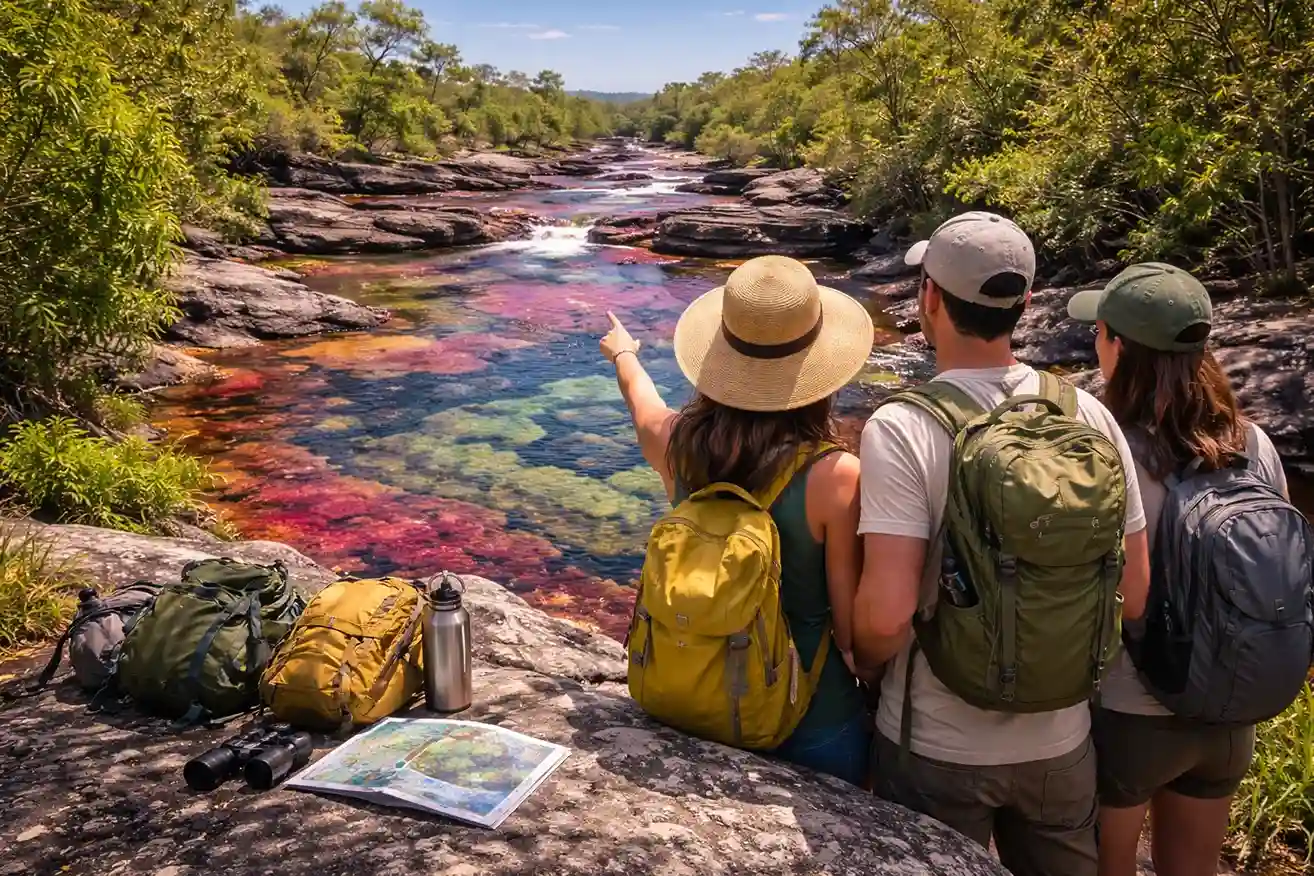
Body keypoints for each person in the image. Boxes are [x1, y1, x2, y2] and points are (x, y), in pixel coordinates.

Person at [853, 211, 1152, 876]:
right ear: (1024, 303)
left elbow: (884, 618)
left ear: (928, 298)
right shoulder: (1087, 414)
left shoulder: (902, 427)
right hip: (1063, 742)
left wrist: (866, 672)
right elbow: (1133, 597)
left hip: (935, 745)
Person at [599, 254, 876, 786]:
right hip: (809, 722)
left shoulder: (678, 446)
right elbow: (849, 632)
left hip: (698, 702)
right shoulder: (837, 477)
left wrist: (625, 353)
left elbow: (643, 402)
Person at [1066, 263, 1292, 876]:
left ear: (1116, 344)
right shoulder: (1253, 441)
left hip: (1133, 710)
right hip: (1228, 708)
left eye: (1099, 331)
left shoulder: (1106, 449)